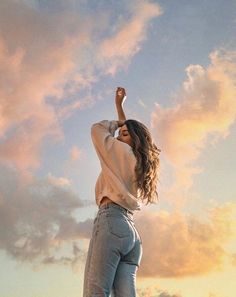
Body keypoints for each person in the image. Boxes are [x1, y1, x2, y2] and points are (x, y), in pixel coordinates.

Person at [83, 87, 161, 297]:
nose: (117, 136)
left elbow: (97, 129)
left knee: (95, 292)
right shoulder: (139, 161)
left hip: (111, 222)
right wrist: (119, 108)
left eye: (123, 134)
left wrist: (117, 122)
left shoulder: (120, 152)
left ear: (133, 139)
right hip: (131, 235)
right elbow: (125, 135)